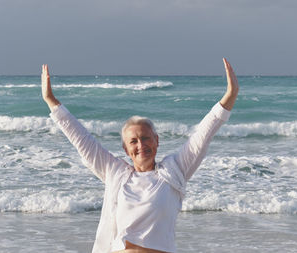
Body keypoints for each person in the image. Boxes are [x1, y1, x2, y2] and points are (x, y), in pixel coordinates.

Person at [41, 58, 239, 253]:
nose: (141, 145)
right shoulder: (116, 173)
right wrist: (52, 102)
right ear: (126, 149)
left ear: (157, 141)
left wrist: (230, 95)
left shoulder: (174, 171)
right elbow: (83, 141)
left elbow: (202, 136)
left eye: (146, 138)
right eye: (133, 141)